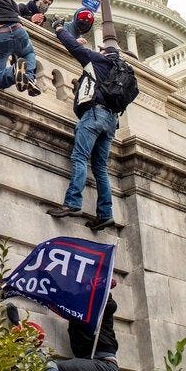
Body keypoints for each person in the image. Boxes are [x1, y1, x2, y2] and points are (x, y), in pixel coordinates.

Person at [48, 25, 130, 230]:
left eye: (101, 49)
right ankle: (105, 213)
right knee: (100, 168)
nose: (99, 51)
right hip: (111, 121)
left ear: (104, 53)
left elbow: (74, 48)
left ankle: (73, 203)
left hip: (94, 115)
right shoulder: (124, 71)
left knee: (79, 157)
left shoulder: (99, 61)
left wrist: (59, 29)